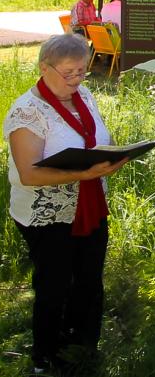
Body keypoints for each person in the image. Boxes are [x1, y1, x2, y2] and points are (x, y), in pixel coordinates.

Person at [4, 35, 126, 373]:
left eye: (81, 72)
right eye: (69, 73)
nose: (76, 80)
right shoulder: (27, 111)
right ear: (44, 68)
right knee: (54, 284)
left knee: (89, 277)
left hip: (89, 206)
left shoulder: (83, 95)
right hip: (47, 214)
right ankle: (46, 354)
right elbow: (28, 174)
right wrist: (87, 174)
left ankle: (82, 343)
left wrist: (115, 154)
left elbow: (99, 136)